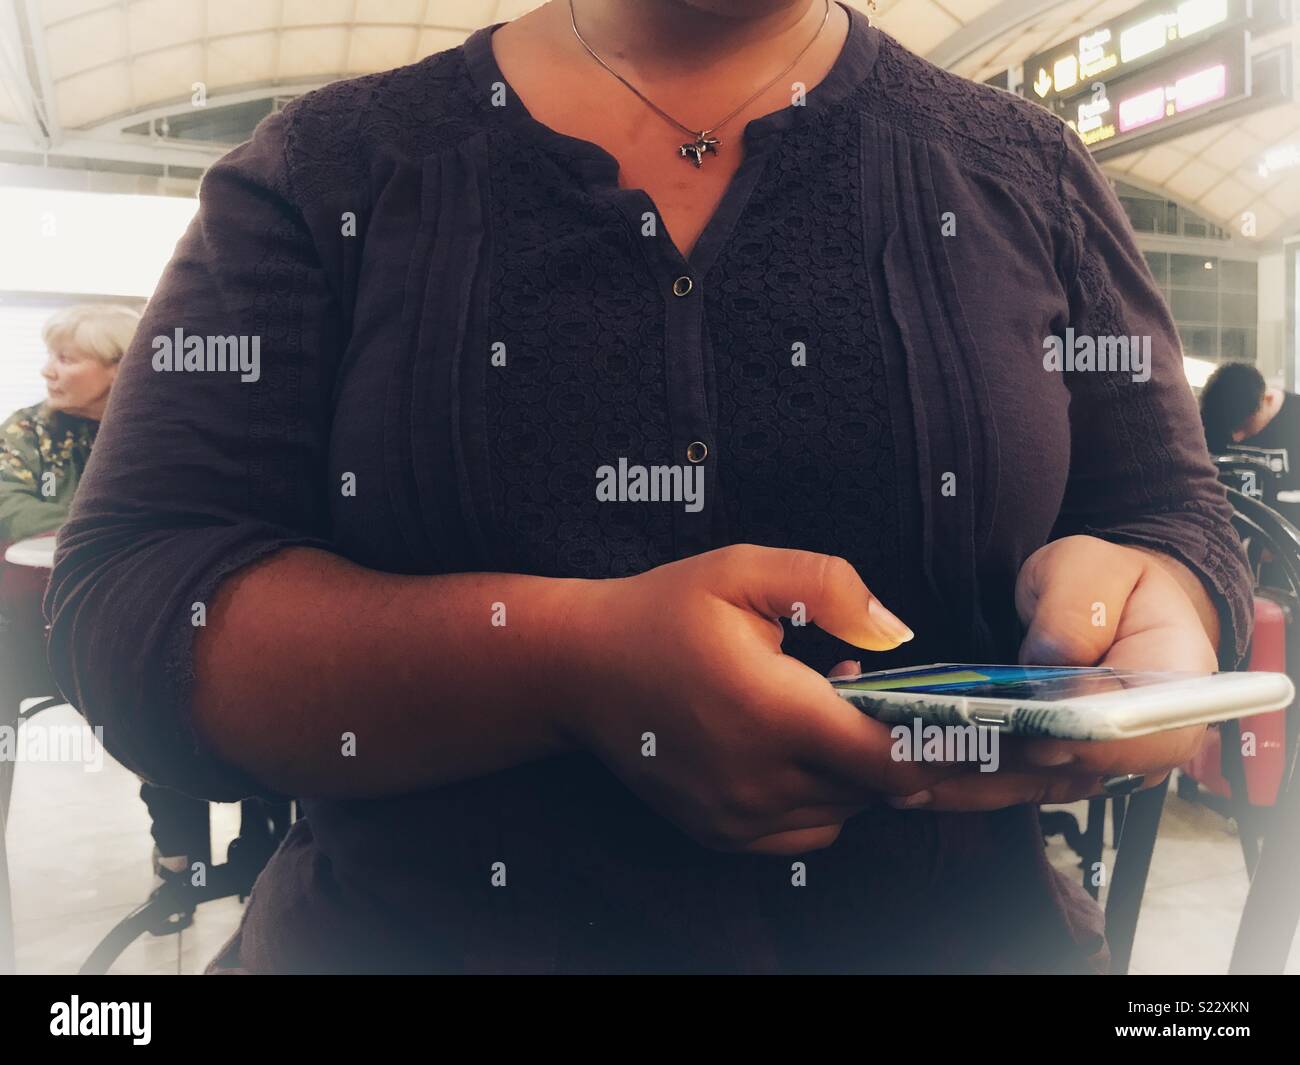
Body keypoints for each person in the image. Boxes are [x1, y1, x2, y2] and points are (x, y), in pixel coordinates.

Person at [46, 0, 1251, 974]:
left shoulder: (1025, 169)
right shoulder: (326, 172)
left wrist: (1158, 602)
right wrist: (563, 664)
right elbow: (135, 602)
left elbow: (1172, 514)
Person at [0, 304, 210, 913]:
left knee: (165, 681)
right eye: (49, 356)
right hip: (34, 627)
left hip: (132, 619)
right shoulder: (25, 432)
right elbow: (12, 512)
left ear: (120, 369)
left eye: (67, 358)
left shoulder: (160, 431)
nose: (48, 372)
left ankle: (184, 857)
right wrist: (110, 532)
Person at [1199, 361, 1300, 516]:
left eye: (1244, 425)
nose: (1236, 437)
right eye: (1230, 428)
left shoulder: (1294, 417)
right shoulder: (1213, 419)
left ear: (1268, 399)